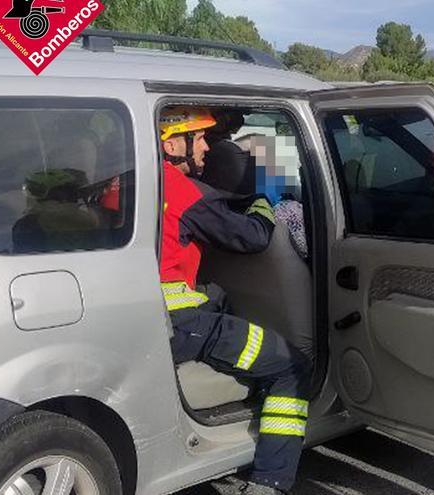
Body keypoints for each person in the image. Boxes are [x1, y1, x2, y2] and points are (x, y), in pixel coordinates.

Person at [159, 107, 311, 495]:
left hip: (146, 314)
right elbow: (254, 237)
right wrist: (262, 200)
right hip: (180, 326)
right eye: (200, 138)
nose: (208, 147)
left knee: (221, 297)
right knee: (291, 365)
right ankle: (270, 481)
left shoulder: (124, 179)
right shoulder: (181, 190)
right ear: (173, 143)